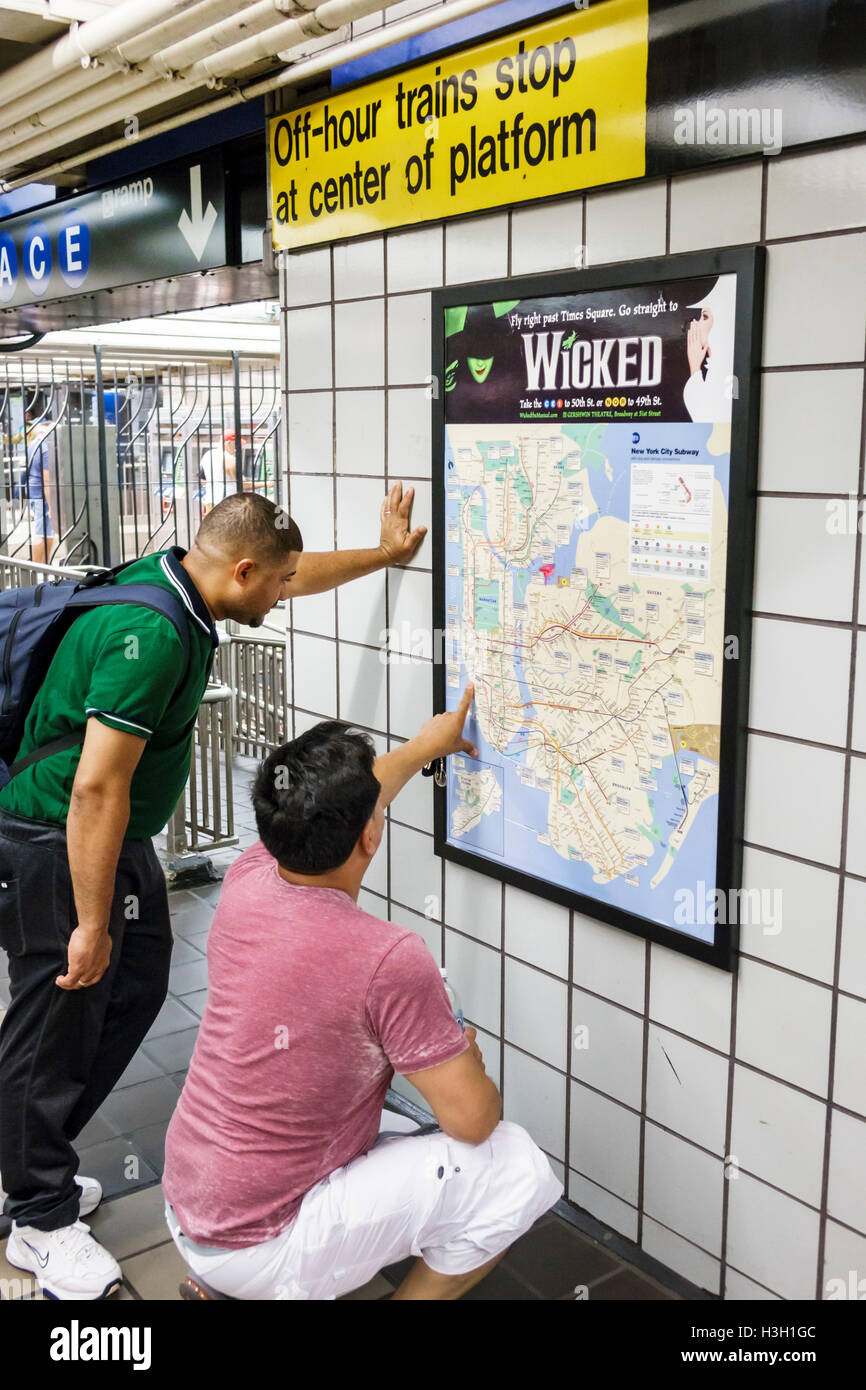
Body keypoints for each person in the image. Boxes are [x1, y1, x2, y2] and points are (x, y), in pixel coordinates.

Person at [0, 481, 426, 1301]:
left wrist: (384, 554)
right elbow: (95, 787)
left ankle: (30, 1157)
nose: (284, 594)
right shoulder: (154, 636)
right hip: (59, 841)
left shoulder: (186, 581)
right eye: (276, 583)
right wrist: (91, 921)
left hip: (105, 845)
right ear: (240, 570)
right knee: (61, 1008)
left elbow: (292, 572)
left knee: (135, 984)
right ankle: (37, 1216)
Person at [161, 693, 563, 1300]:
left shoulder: (249, 877)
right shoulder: (389, 957)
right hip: (261, 1242)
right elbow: (474, 1121)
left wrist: (428, 747)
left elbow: (338, 806)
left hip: (191, 1201)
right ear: (371, 838)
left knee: (398, 1128)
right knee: (514, 1167)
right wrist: (468, 1063)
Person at [199, 430, 239, 510]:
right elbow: (243, 484)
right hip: (227, 504)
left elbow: (202, 479)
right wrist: (266, 483)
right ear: (228, 443)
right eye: (236, 445)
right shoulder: (229, 459)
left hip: (210, 502)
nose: (236, 449)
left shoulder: (207, 455)